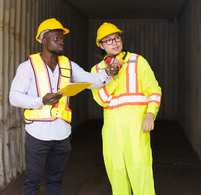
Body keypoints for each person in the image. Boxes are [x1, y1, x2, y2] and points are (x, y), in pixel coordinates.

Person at [9, 18, 119, 195]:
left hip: (62, 135)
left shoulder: (68, 65)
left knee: (55, 181)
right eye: (56, 38)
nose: (61, 42)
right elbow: (14, 97)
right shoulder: (27, 67)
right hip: (37, 135)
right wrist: (41, 100)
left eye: (62, 39)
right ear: (43, 40)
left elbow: (90, 81)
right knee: (32, 182)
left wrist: (106, 73)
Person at [90, 22, 162, 195]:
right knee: (118, 179)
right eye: (108, 40)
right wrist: (112, 76)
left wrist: (151, 114)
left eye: (117, 38)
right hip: (112, 133)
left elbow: (154, 89)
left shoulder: (138, 61)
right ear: (100, 45)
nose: (114, 43)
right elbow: (101, 99)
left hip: (136, 129)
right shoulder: (97, 70)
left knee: (141, 176)